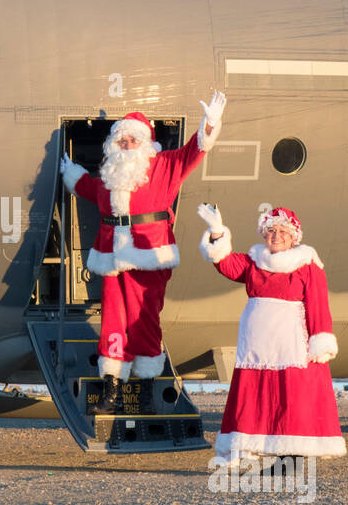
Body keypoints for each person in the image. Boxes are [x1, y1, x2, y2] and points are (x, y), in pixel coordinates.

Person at [60, 93, 226, 413]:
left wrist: (211, 124)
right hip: (111, 256)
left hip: (149, 256)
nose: (126, 143)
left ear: (145, 142)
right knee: (113, 321)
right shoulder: (110, 175)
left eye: (132, 138)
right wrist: (73, 175)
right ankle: (113, 390)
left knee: (145, 321)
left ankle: (148, 389)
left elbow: (194, 152)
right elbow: (90, 190)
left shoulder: (164, 166)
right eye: (121, 138)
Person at [196, 204, 346, 467]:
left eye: (283, 231)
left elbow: (318, 302)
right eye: (271, 230)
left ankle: (291, 452)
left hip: (292, 344)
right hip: (257, 344)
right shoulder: (254, 261)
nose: (276, 236)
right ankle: (243, 449)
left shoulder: (307, 264)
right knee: (251, 395)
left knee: (291, 397)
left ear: (294, 236)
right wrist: (218, 231)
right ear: (264, 234)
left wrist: (320, 337)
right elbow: (227, 264)